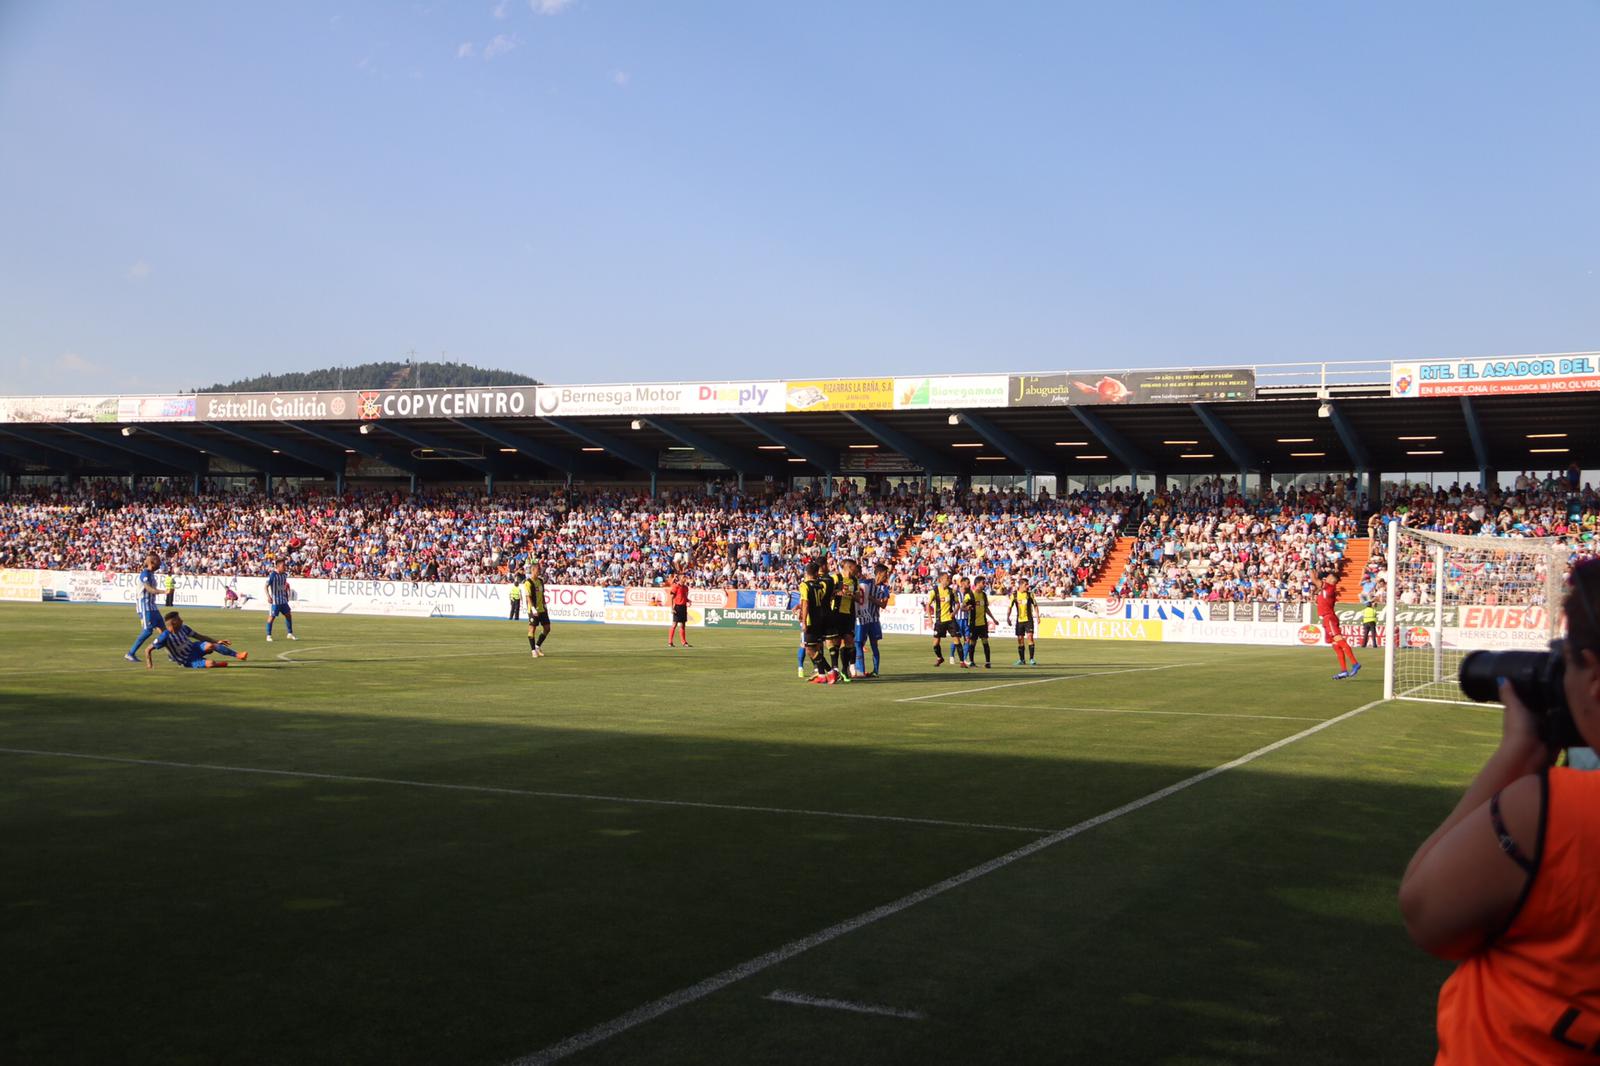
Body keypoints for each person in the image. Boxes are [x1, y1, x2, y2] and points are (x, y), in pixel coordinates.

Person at [1399, 563, 1600, 1063]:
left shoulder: (1556, 812)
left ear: (1594, 677)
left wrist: (1518, 753)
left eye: (1568, 659)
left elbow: (1425, 913)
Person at [145, 611, 247, 669]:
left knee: (210, 645)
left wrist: (216, 641)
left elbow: (199, 637)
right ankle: (218, 664)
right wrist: (149, 665)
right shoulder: (164, 636)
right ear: (174, 623)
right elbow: (148, 649)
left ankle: (239, 655)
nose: (182, 620)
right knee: (210, 663)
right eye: (179, 619)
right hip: (187, 660)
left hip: (195, 648)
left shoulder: (184, 628)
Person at [799, 560, 837, 684]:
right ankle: (821, 675)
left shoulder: (804, 585)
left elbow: (805, 603)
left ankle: (830, 672)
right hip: (819, 619)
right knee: (816, 647)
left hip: (810, 621)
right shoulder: (820, 586)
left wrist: (803, 621)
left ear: (806, 572)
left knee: (809, 649)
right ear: (816, 573)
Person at [1316, 572, 1358, 679]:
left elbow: (1314, 580)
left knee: (1340, 640)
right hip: (1326, 618)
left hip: (1329, 617)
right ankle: (1343, 670)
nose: (1326, 578)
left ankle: (1355, 663)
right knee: (1336, 645)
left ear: (1332, 580)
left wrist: (1311, 568)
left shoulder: (1329, 587)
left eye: (1329, 577)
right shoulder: (1327, 589)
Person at [125, 553, 166, 662]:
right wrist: (164, 592)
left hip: (152, 606)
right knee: (148, 631)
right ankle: (130, 653)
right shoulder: (145, 574)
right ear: (152, 562)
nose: (160, 563)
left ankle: (172, 654)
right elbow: (149, 589)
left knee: (164, 631)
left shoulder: (151, 574)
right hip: (145, 606)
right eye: (158, 561)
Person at [853, 563, 890, 678]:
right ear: (878, 573)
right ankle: (860, 670)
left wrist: (870, 598)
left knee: (874, 645)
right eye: (885, 574)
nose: (886, 577)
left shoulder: (885, 588)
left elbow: (883, 605)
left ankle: (875, 671)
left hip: (874, 620)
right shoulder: (866, 583)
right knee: (859, 643)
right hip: (863, 619)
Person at [828, 559, 861, 682]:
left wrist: (850, 594)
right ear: (849, 567)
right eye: (854, 567)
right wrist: (837, 592)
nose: (856, 570)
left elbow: (858, 598)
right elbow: (828, 594)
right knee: (836, 642)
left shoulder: (854, 580)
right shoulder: (836, 578)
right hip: (836, 614)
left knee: (849, 641)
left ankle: (845, 669)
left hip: (849, 614)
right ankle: (835, 669)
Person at [964, 575, 1000, 669]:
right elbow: (963, 607)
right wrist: (967, 608)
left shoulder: (983, 595)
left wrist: (993, 619)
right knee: (973, 643)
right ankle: (971, 661)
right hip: (973, 624)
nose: (985, 584)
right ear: (977, 583)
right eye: (983, 583)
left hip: (983, 623)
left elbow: (986, 608)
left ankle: (988, 662)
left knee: (985, 642)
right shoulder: (970, 595)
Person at [1007, 577, 1040, 666]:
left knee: (1030, 637)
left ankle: (1031, 659)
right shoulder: (1014, 595)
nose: (1027, 586)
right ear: (1021, 585)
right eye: (1026, 584)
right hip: (1019, 621)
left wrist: (1037, 616)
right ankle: (1022, 660)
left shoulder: (1030, 595)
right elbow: (1010, 607)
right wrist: (1008, 617)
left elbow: (1035, 605)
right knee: (1020, 639)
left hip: (1028, 620)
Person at [927, 572, 957, 667]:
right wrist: (930, 619)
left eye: (949, 578)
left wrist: (954, 612)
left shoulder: (951, 591)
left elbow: (957, 603)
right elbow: (928, 605)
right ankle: (940, 658)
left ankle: (962, 661)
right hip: (939, 620)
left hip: (949, 620)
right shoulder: (934, 591)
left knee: (957, 639)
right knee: (935, 644)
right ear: (940, 580)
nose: (948, 580)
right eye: (946, 578)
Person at [524, 562, 552, 658]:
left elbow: (542, 594)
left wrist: (545, 606)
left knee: (547, 628)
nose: (539, 572)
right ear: (532, 570)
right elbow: (528, 597)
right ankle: (533, 650)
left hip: (542, 609)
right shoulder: (528, 582)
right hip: (533, 609)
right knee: (532, 629)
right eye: (538, 570)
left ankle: (537, 646)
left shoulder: (540, 581)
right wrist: (532, 608)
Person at [264, 560, 296, 642]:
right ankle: (268, 635)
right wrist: (268, 596)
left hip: (283, 600)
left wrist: (286, 595)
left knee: (288, 615)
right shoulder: (273, 575)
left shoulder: (284, 575)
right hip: (275, 600)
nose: (285, 567)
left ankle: (290, 633)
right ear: (278, 567)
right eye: (283, 566)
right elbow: (266, 586)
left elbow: (283, 586)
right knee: (272, 617)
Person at [666, 573, 692, 648]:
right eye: (684, 577)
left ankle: (684, 642)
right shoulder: (676, 586)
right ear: (680, 578)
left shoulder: (686, 588)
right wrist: (672, 608)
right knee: (674, 624)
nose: (685, 578)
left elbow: (684, 597)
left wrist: (688, 601)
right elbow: (672, 597)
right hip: (677, 607)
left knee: (683, 625)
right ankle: (670, 642)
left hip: (683, 607)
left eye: (685, 577)